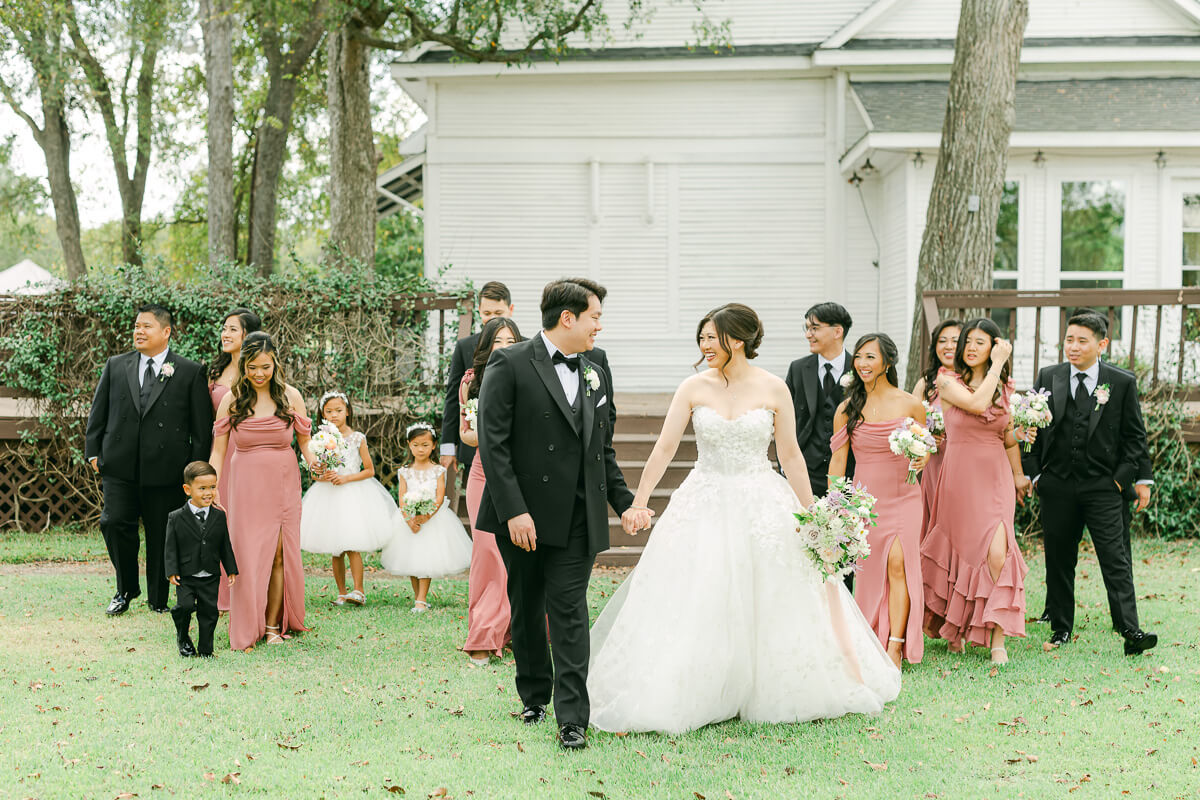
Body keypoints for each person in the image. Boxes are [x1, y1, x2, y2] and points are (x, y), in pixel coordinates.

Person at [588, 304, 899, 735]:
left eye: (711, 338)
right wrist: (639, 499)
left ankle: (767, 681)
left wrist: (813, 515)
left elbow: (789, 454)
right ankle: (699, 681)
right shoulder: (693, 387)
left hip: (760, 498)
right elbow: (664, 447)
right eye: (701, 339)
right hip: (705, 497)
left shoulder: (774, 388)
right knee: (700, 589)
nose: (704, 346)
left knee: (769, 592)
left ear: (737, 340)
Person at [475, 278, 643, 750]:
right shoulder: (508, 363)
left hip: (577, 515)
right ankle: (533, 694)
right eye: (594, 316)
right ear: (566, 318)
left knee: (568, 610)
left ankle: (573, 718)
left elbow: (601, 447)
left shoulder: (597, 367)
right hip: (522, 515)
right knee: (527, 606)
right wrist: (514, 512)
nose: (599, 326)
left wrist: (624, 501)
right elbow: (494, 445)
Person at [1021, 311, 1157, 656]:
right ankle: (1061, 628)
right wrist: (1036, 475)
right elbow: (1031, 431)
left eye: (1082, 340)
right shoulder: (1048, 376)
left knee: (1115, 559)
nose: (1073, 347)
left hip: (1103, 487)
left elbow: (1134, 438)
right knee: (1059, 559)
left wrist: (1126, 481)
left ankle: (1130, 630)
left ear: (1102, 344)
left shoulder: (1121, 382)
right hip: (1058, 485)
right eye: (1069, 339)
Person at [85, 304, 213, 616]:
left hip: (168, 470)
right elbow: (98, 410)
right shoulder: (116, 365)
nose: (139, 331)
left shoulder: (189, 370)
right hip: (119, 465)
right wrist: (93, 451)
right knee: (112, 522)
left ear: (166, 332)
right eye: (137, 326)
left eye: (147, 326)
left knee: (161, 534)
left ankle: (158, 598)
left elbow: (201, 428)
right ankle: (125, 588)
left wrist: (193, 472)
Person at [919, 319, 1029, 665]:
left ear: (993, 345)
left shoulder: (1005, 388)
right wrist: (997, 362)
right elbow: (978, 404)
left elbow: (1006, 435)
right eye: (968, 341)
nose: (970, 347)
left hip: (994, 477)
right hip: (959, 476)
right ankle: (957, 629)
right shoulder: (947, 382)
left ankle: (997, 639)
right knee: (962, 554)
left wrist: (1020, 459)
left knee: (998, 553)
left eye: (980, 342)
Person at [828, 334, 928, 668]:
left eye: (870, 357)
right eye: (859, 357)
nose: (862, 363)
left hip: (906, 495)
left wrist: (922, 458)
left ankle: (895, 646)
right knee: (871, 572)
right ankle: (868, 637)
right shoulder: (847, 409)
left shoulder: (911, 404)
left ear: (887, 362)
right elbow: (838, 463)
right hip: (865, 501)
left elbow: (925, 447)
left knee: (899, 564)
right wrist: (837, 506)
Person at [211, 332, 316, 650]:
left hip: (283, 485)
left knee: (279, 555)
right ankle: (248, 623)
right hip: (244, 488)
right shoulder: (232, 400)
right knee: (246, 555)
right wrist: (213, 484)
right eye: (253, 367)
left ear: (275, 364)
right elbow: (218, 451)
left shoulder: (290, 397)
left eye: (265, 367)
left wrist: (316, 462)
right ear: (244, 366)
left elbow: (305, 442)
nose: (259, 373)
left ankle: (272, 626)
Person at [458, 317, 523, 665]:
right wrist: (492, 435)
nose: (506, 346)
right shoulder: (472, 382)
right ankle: (483, 634)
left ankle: (513, 632)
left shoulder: (528, 375)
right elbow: (467, 434)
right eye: (498, 341)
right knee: (487, 554)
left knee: (516, 557)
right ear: (487, 346)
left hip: (519, 476)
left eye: (511, 340)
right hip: (483, 475)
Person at [300, 392, 395, 606]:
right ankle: (341, 593)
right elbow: (315, 473)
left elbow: (369, 470)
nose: (334, 415)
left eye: (338, 410)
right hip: (328, 497)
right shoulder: (320, 440)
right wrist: (325, 476)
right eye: (329, 411)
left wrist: (346, 478)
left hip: (353, 494)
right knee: (336, 549)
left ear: (348, 411)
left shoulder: (357, 438)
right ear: (322, 414)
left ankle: (359, 590)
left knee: (352, 544)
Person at [785, 302, 855, 590]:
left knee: (847, 545)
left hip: (851, 474)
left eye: (814, 328)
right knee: (804, 543)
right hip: (806, 471)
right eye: (807, 328)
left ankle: (844, 609)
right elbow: (786, 421)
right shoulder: (798, 369)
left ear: (837, 331)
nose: (808, 334)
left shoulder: (860, 368)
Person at [381, 423, 473, 611]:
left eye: (425, 445)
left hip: (432, 520)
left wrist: (427, 516)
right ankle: (419, 597)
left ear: (433, 446)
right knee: (412, 559)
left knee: (426, 558)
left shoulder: (438, 470)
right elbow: (402, 497)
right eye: (416, 445)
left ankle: (421, 599)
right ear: (409, 445)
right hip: (408, 520)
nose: (420, 449)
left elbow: (439, 497)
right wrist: (409, 519)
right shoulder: (405, 471)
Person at [207, 308, 262, 613]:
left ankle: (249, 588)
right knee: (219, 519)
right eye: (224, 328)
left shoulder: (258, 371)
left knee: (246, 522)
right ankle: (220, 592)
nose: (225, 335)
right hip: (218, 453)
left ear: (247, 336)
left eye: (232, 329)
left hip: (246, 454)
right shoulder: (215, 371)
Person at [440, 282, 514, 488]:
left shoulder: (525, 345)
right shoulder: (465, 347)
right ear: (479, 312)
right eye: (487, 312)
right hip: (475, 445)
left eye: (498, 312)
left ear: (511, 310)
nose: (492, 318)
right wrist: (448, 447)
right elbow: (454, 397)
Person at [164, 461, 238, 658]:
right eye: (202, 488)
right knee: (185, 606)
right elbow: (170, 548)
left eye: (212, 487)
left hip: (210, 575)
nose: (208, 493)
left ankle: (206, 650)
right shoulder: (176, 517)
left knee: (209, 613)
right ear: (187, 489)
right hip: (186, 575)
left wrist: (231, 568)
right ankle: (182, 636)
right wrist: (172, 571)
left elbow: (225, 545)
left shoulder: (219, 516)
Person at [912, 319, 962, 542]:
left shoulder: (973, 383)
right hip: (934, 463)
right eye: (942, 341)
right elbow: (910, 424)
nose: (948, 346)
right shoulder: (925, 384)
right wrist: (926, 437)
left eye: (955, 340)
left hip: (964, 462)